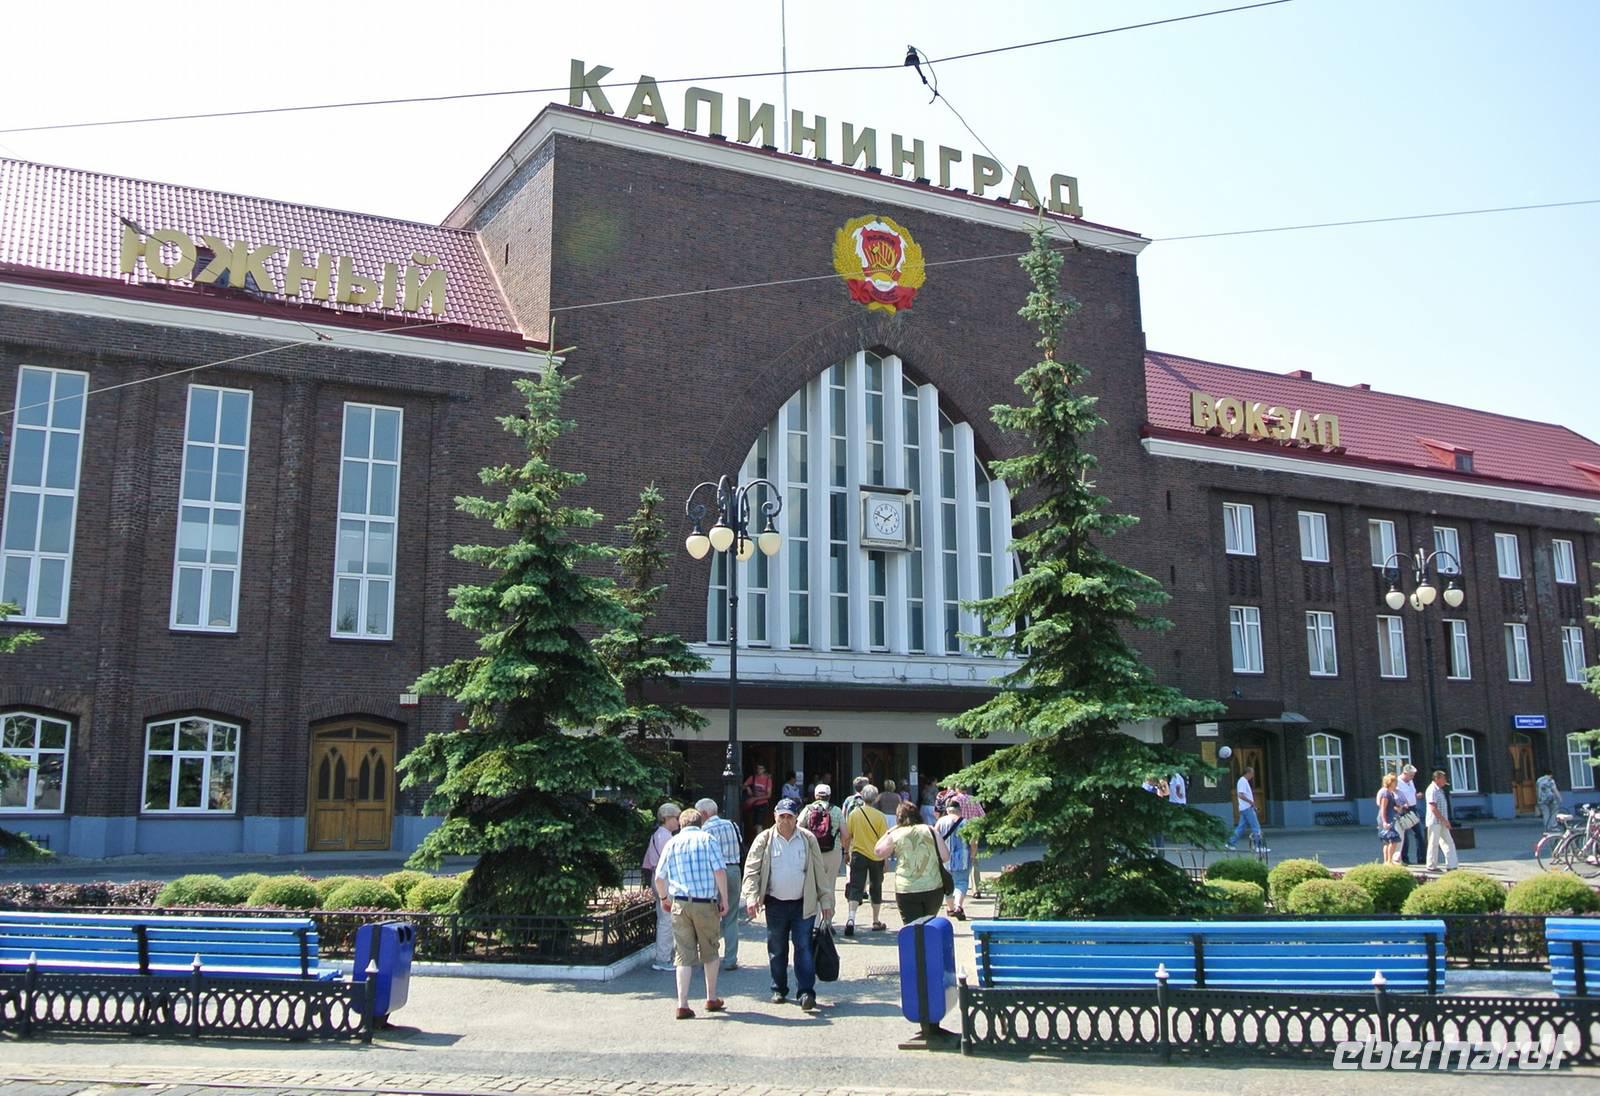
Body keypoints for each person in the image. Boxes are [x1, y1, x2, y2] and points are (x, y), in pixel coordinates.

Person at [741, 798, 834, 1012]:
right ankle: (779, 988)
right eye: (781, 816)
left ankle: (806, 992)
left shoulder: (808, 839)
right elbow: (752, 871)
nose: (785, 820)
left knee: (804, 948)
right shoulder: (764, 839)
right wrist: (752, 897)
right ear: (775, 816)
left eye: (789, 816)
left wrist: (826, 899)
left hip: (804, 904)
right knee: (777, 948)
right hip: (776, 905)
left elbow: (819, 871)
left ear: (796, 818)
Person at [653, 808, 729, 1019]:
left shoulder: (672, 842)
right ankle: (711, 998)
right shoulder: (708, 840)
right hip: (705, 903)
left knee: (683, 955)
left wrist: (664, 898)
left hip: (680, 904)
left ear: (682, 823)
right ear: (700, 822)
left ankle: (682, 1004)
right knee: (710, 951)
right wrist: (724, 899)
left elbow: (659, 877)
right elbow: (719, 871)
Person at [876, 800, 950, 923]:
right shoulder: (930, 830)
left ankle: (914, 942)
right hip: (933, 886)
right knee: (929, 925)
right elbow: (945, 857)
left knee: (911, 928)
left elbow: (878, 852)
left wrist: (890, 831)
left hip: (907, 888)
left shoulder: (897, 833)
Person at [697, 797, 743, 970]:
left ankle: (710, 958)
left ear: (703, 813)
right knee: (731, 917)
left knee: (711, 917)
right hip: (733, 870)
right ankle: (730, 959)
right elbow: (739, 845)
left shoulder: (705, 829)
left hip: (714, 873)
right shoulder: (732, 824)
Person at [842, 783, 889, 936]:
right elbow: (885, 840)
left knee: (856, 886)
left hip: (858, 854)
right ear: (875, 799)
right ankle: (875, 920)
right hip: (876, 855)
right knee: (876, 887)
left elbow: (848, 835)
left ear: (862, 797)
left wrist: (846, 853)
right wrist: (886, 860)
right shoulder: (880, 816)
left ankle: (851, 918)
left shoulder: (854, 814)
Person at [642, 801, 681, 971]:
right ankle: (663, 958)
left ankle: (664, 955)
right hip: (664, 879)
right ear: (666, 818)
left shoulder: (657, 834)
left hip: (656, 876)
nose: (678, 822)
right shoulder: (665, 836)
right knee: (666, 920)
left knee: (663, 918)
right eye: (675, 818)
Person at [800, 783, 846, 915]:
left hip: (813, 852)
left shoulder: (808, 810)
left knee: (813, 886)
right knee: (829, 886)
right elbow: (846, 834)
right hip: (833, 851)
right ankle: (827, 923)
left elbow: (798, 828)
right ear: (829, 796)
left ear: (815, 795)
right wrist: (845, 849)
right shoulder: (836, 810)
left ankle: (814, 921)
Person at [936, 801, 970, 919]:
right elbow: (973, 841)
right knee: (961, 882)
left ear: (947, 810)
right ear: (959, 809)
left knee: (947, 884)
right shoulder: (966, 822)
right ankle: (958, 906)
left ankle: (950, 909)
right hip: (963, 857)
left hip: (945, 856)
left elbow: (935, 838)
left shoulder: (941, 821)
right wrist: (973, 854)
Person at [952, 784, 986, 896]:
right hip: (973, 832)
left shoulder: (955, 799)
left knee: (957, 858)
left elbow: (951, 816)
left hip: (959, 832)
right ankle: (976, 889)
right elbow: (983, 816)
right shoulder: (973, 799)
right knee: (974, 859)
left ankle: (957, 887)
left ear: (957, 789)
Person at [1424, 769, 1459, 872]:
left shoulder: (1440, 790)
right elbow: (1433, 807)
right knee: (1433, 843)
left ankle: (1452, 865)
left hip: (1442, 821)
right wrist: (1444, 820)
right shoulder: (1432, 790)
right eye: (1443, 779)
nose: (1445, 781)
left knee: (1448, 842)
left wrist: (1445, 820)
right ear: (1437, 778)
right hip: (1434, 821)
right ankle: (1431, 865)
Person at [1225, 767, 1261, 851]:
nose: (1253, 775)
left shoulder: (1243, 781)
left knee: (1241, 827)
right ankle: (1258, 846)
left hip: (1244, 808)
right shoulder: (1242, 781)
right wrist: (1251, 802)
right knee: (1256, 827)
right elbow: (1240, 795)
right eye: (1252, 773)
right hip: (1247, 808)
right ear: (1248, 773)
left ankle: (1230, 843)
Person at [1395, 765, 1422, 865]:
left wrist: (1416, 796)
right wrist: (1402, 804)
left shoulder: (1410, 781)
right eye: (1411, 775)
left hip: (1413, 808)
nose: (1412, 777)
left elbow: (1411, 794)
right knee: (1404, 835)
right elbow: (1396, 796)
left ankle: (1421, 858)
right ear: (1405, 773)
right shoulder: (1398, 783)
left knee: (1419, 833)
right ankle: (1404, 858)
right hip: (1404, 810)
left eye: (1413, 775)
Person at [1376, 773, 1402, 865]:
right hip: (1387, 819)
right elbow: (1383, 808)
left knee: (1387, 841)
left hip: (1389, 818)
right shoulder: (1386, 793)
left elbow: (1390, 806)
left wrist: (1396, 807)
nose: (1396, 784)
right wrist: (1384, 821)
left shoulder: (1389, 793)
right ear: (1390, 782)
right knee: (1393, 840)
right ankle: (1389, 861)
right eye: (1395, 782)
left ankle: (1387, 861)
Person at [743, 764, 773, 833]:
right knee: (755, 825)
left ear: (764, 770)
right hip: (753, 804)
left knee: (759, 824)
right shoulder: (753, 778)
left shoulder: (767, 780)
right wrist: (748, 788)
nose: (759, 770)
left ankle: (761, 842)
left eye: (761, 768)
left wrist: (755, 799)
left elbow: (768, 795)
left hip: (762, 804)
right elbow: (743, 786)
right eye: (758, 768)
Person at [1141, 773, 1168, 850]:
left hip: (1153, 813)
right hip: (1151, 813)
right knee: (1155, 834)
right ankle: (1157, 852)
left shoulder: (1154, 787)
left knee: (1156, 834)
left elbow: (1163, 795)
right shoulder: (1149, 788)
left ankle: (1156, 852)